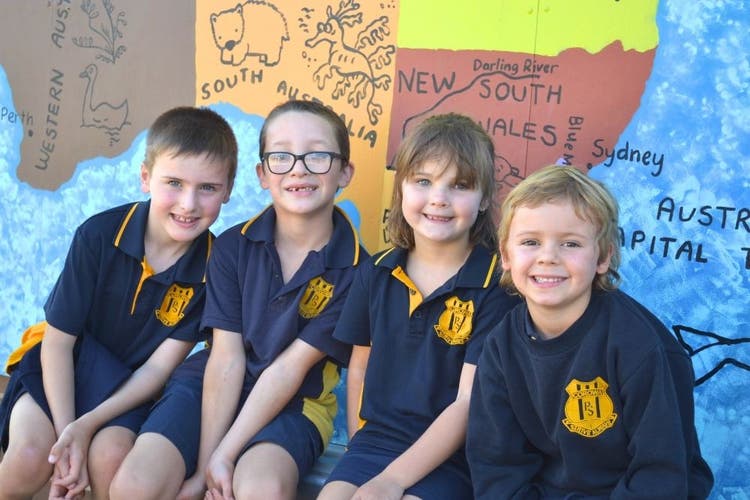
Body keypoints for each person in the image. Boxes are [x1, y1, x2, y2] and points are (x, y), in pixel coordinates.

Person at [110, 99, 364, 500]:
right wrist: (207, 463)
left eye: (317, 155)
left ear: (345, 172)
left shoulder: (357, 271)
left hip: (296, 404)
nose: (298, 168)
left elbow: (286, 372)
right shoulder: (233, 247)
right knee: (134, 486)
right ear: (263, 174)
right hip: (210, 385)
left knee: (260, 490)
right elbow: (226, 359)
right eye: (281, 156)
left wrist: (222, 458)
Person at [0, 106, 238, 499]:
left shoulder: (214, 268)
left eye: (207, 188)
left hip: (127, 388)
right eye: (174, 183)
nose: (188, 203)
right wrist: (67, 435)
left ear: (228, 190)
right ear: (145, 178)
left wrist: (88, 425)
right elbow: (59, 344)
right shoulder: (99, 235)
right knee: (30, 455)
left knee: (110, 458)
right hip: (63, 369)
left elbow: (157, 370)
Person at [466, 165, 714, 499]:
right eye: (530, 242)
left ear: (603, 257)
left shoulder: (641, 348)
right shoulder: (501, 347)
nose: (548, 257)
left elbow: (660, 474)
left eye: (570, 243)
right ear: (506, 255)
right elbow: (497, 466)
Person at [318, 113, 519, 500]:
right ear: (402, 190)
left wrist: (390, 482)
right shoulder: (375, 272)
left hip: (453, 455)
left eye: (459, 185)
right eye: (423, 182)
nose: (439, 198)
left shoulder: (496, 287)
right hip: (374, 445)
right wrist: (358, 451)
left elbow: (467, 403)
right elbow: (360, 366)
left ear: (485, 199)